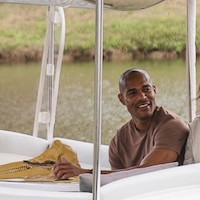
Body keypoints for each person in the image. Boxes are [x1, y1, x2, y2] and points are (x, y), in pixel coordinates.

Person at [52, 68, 189, 180]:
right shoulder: (119, 140)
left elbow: (147, 171)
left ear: (154, 90)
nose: (142, 97)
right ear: (122, 99)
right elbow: (117, 181)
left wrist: (83, 173)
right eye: (133, 93)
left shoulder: (172, 126)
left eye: (146, 89)